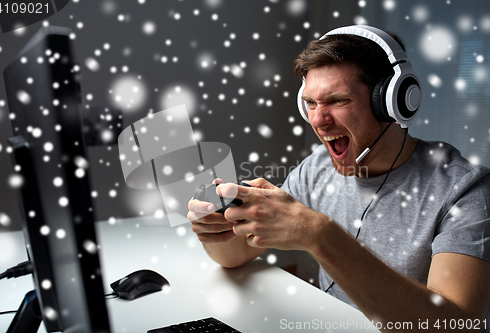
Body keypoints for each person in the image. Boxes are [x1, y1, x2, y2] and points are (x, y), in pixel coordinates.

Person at [187, 25, 490, 331]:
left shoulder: (465, 190)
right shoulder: (317, 167)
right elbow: (236, 255)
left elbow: (456, 325)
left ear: (391, 101)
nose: (318, 120)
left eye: (338, 101)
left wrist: (320, 235)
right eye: (311, 103)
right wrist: (216, 232)